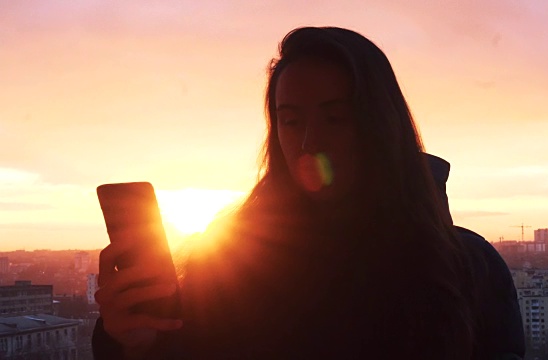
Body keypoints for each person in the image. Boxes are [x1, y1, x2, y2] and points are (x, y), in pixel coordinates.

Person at [92, 26, 524, 359]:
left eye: (336, 118)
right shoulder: (230, 269)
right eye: (291, 121)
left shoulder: (469, 269)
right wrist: (138, 344)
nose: (308, 143)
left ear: (381, 127)